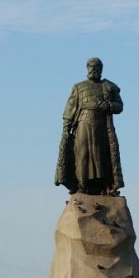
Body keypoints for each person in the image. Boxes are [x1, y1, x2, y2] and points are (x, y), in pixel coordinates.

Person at [55, 57, 124, 195]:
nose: (94, 69)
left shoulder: (109, 86)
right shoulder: (78, 87)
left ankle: (104, 185)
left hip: (101, 127)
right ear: (87, 68)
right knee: (82, 154)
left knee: (102, 155)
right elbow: (69, 110)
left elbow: (120, 106)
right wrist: (66, 129)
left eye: (97, 67)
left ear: (101, 69)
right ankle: (82, 184)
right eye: (91, 67)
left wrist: (109, 105)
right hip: (82, 125)